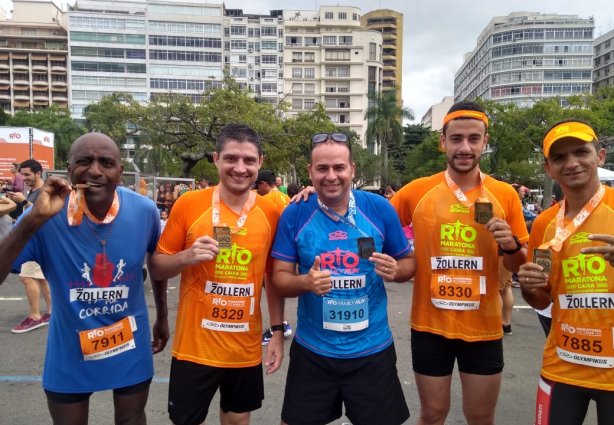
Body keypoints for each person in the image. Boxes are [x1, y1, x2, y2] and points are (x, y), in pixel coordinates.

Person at [0, 132, 169, 424]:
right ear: (69, 169)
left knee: (132, 419)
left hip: (129, 341)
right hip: (69, 348)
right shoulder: (46, 213)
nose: (94, 170)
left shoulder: (144, 211)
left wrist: (162, 317)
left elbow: (156, 264)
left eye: (106, 162)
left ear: (119, 170)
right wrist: (31, 220)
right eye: (84, 161)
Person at [390, 101, 528, 425]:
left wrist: (510, 245)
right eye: (456, 139)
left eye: (473, 139)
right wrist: (319, 194)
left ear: (485, 141)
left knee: (480, 417)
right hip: (430, 327)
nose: (464, 147)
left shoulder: (505, 195)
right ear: (443, 141)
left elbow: (521, 265)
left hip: (484, 330)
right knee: (433, 413)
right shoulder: (418, 191)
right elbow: (367, 220)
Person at [271, 132, 414, 425]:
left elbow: (409, 262)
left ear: (352, 170)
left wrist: (397, 271)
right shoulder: (295, 213)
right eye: (322, 169)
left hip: (371, 351)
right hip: (314, 352)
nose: (331, 176)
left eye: (339, 167)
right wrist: (305, 283)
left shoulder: (379, 209)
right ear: (310, 172)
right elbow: (279, 279)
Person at [150, 123, 284, 425]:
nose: (240, 168)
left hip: (244, 347)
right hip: (195, 347)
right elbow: (157, 265)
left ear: (260, 162)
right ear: (216, 159)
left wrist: (277, 332)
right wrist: (186, 257)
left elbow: (272, 279)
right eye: (231, 159)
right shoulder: (189, 203)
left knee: (237, 419)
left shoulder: (271, 212)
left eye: (249, 160)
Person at [518, 119, 614, 425]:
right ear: (549, 168)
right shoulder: (544, 224)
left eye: (580, 152)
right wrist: (529, 287)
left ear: (600, 155)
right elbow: (541, 299)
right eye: (560, 157)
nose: (571, 163)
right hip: (563, 365)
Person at [7, 159, 52, 333]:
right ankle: (51, 312)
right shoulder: (33, 191)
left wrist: (24, 201)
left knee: (26, 277)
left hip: (36, 242)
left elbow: (44, 212)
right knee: (41, 278)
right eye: (22, 175)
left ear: (38, 173)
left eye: (27, 175)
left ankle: (35, 316)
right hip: (33, 242)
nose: (24, 178)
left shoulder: (43, 192)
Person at [254, 169, 293, 344]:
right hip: (286, 251)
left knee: (270, 290)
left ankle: (277, 326)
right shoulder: (286, 198)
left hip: (271, 250)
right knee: (275, 290)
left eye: (258, 186)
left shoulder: (265, 200)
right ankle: (283, 324)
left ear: (263, 184)